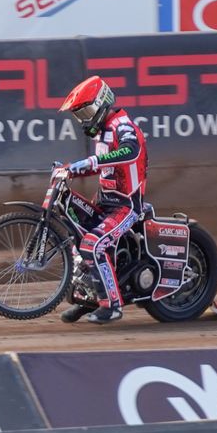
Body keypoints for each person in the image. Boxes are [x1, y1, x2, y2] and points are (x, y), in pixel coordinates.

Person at [56, 74, 145, 324]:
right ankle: (87, 301)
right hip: (104, 202)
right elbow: (102, 166)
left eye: (86, 113)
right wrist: (72, 169)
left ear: (102, 103)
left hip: (126, 205)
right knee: (76, 241)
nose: (84, 120)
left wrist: (91, 161)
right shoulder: (104, 130)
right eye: (79, 116)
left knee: (92, 245)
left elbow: (130, 151)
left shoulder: (122, 125)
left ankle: (112, 306)